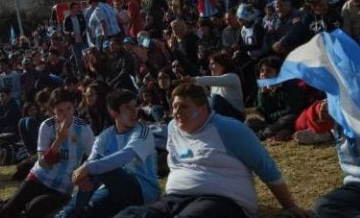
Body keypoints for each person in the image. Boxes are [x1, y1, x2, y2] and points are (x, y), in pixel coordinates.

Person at [114, 83, 313, 218]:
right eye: (174, 106)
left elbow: (266, 167)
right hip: (176, 198)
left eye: (183, 106)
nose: (176, 112)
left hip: (223, 200)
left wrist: (289, 206)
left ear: (202, 108)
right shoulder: (174, 128)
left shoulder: (229, 129)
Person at [0, 88, 95, 218]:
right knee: (5, 213)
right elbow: (43, 163)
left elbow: (93, 157)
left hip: (61, 187)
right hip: (39, 177)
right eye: (60, 111)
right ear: (52, 111)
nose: (66, 114)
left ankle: (21, 204)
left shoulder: (83, 128)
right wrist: (60, 139)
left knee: (34, 210)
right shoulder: (47, 126)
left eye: (69, 109)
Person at [56, 89, 159, 218]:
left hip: (142, 191)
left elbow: (126, 156)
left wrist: (87, 168)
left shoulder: (142, 130)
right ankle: (66, 214)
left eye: (135, 106)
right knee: (87, 211)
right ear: (114, 112)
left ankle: (67, 213)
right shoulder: (105, 136)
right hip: (111, 190)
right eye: (128, 107)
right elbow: (91, 162)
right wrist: (83, 177)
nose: (134, 112)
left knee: (99, 168)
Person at [192, 52, 245, 121]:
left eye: (213, 64)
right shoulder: (215, 83)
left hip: (236, 115)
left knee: (215, 98)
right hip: (223, 114)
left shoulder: (233, 77)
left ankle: (212, 123)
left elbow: (216, 81)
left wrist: (193, 79)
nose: (210, 67)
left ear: (223, 65)